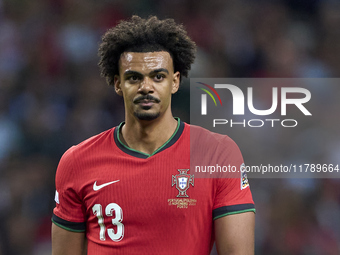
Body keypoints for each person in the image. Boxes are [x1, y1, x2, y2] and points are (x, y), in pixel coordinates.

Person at [51, 15, 255, 255]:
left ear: (175, 82)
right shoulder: (77, 161)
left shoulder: (217, 153)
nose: (146, 87)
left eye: (158, 76)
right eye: (134, 77)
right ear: (117, 84)